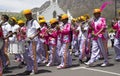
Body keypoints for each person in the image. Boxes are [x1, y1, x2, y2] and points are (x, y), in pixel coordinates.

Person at [22, 9, 40, 75]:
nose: (26, 16)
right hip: (28, 40)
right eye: (25, 15)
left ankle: (35, 69)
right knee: (27, 55)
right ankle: (29, 68)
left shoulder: (34, 21)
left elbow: (39, 30)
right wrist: (24, 33)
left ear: (30, 14)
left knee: (33, 55)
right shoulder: (27, 22)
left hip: (33, 40)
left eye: (27, 15)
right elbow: (28, 31)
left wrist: (33, 36)